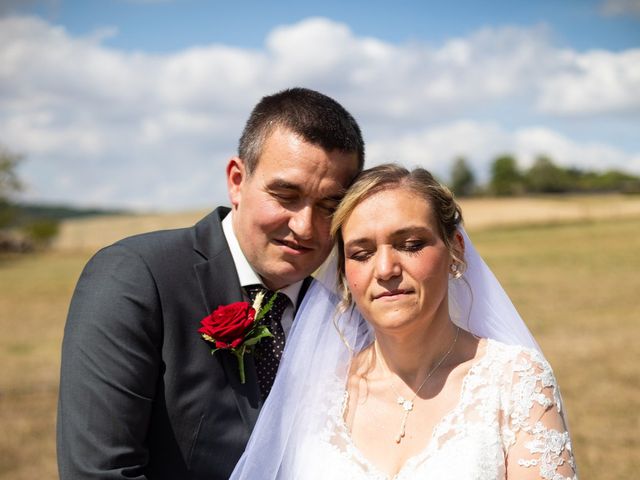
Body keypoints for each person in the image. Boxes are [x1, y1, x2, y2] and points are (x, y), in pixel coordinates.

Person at [57, 87, 364, 479]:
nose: (304, 227)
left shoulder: (346, 311)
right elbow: (99, 472)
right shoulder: (135, 277)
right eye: (286, 195)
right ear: (237, 181)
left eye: (328, 206)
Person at [231, 164, 578, 479]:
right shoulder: (316, 391)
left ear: (455, 249)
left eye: (411, 244)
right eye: (362, 254)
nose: (385, 270)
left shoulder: (515, 381)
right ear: (344, 272)